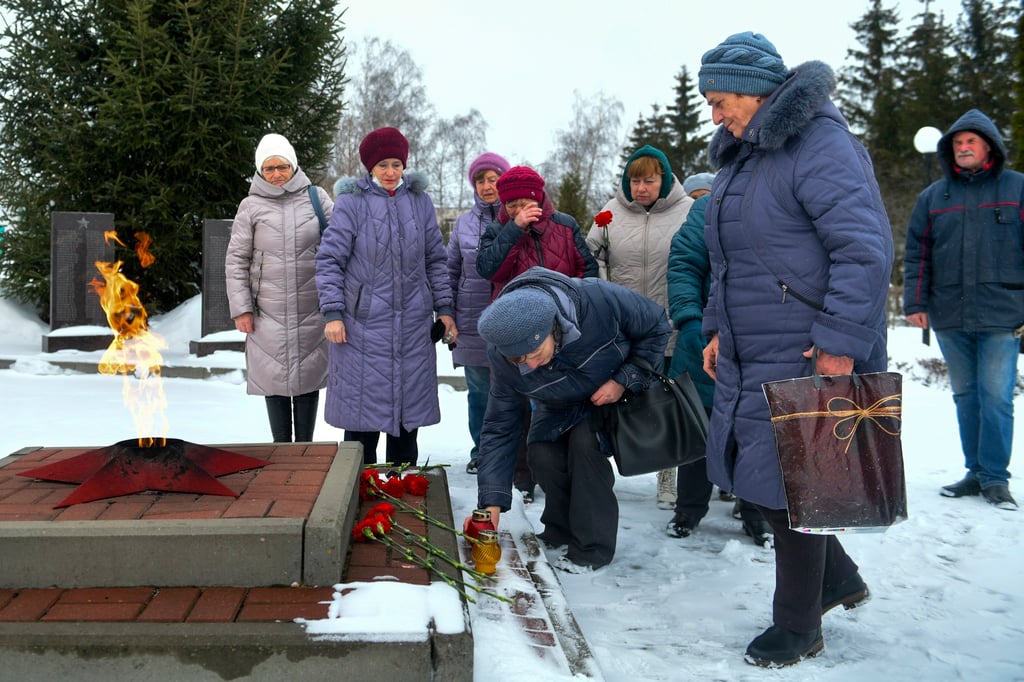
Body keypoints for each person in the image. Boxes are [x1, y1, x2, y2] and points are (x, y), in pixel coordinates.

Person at [697, 32, 892, 667]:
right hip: (752, 341)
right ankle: (836, 579)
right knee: (753, 475)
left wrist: (839, 345)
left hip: (805, 343)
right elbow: (729, 263)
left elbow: (863, 251)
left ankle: (798, 624)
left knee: (792, 488)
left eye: (721, 99)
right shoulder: (744, 157)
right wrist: (715, 327)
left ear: (754, 90)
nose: (715, 113)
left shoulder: (820, 143)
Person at [476, 267, 671, 573]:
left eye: (535, 352)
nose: (529, 365)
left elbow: (657, 325)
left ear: (553, 328)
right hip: (559, 405)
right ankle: (560, 530)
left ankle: (592, 549)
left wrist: (625, 378)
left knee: (584, 445)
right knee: (542, 452)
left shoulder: (598, 300)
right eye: (518, 360)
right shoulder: (505, 358)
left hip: (614, 394)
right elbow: (500, 427)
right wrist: (491, 504)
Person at [903, 109, 1023, 511]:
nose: (963, 148)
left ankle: (995, 478)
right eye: (957, 143)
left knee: (997, 397)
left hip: (1003, 313)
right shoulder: (934, 197)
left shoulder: (1017, 188)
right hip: (950, 314)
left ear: (989, 145)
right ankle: (974, 472)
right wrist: (915, 303)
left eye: (971, 141)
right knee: (966, 396)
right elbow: (917, 254)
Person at [315, 126, 456, 466]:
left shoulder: (420, 203)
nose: (391, 172)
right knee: (361, 430)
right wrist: (333, 312)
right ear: (370, 168)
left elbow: (435, 259)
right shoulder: (351, 203)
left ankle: (402, 490)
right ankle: (357, 498)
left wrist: (445, 309)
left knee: (406, 425)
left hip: (412, 326)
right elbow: (330, 259)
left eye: (396, 164)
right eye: (383, 165)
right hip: (361, 329)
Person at [476, 165, 599, 502]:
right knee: (514, 405)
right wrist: (513, 231)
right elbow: (488, 268)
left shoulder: (565, 225)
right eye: (510, 204)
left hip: (560, 332)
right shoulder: (498, 229)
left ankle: (559, 475)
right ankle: (522, 478)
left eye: (522, 202)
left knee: (560, 402)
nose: (517, 209)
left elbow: (588, 271)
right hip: (514, 329)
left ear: (538, 198)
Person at [665, 173, 772, 547]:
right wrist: (692, 320)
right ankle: (689, 509)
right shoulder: (704, 209)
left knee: (755, 431)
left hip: (762, 340)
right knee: (700, 428)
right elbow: (684, 265)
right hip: (705, 340)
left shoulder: (774, 202)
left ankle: (755, 511)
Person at [585, 145, 693, 511]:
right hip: (622, 328)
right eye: (635, 180)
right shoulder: (609, 213)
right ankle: (607, 470)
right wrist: (607, 291)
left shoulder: (688, 212)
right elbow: (590, 259)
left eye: (649, 180)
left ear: (664, 180)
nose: (641, 188)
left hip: (670, 324)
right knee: (616, 401)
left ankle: (668, 475)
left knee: (667, 402)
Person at [225, 133, 331, 443]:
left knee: (308, 378)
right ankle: (282, 448)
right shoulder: (250, 206)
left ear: (293, 165)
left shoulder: (318, 198)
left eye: (282, 166)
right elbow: (236, 261)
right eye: (269, 168)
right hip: (266, 312)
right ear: (260, 171)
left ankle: (306, 448)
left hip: (311, 307)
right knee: (274, 380)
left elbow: (339, 243)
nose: (277, 174)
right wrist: (242, 308)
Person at [446, 152, 511, 474]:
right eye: (481, 180)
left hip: (514, 323)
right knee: (480, 394)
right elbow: (451, 270)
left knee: (518, 393)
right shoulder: (464, 223)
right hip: (472, 323)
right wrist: (448, 315)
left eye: (494, 179)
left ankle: (517, 455)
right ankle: (482, 451)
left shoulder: (519, 217)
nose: (488, 186)